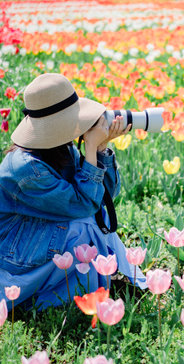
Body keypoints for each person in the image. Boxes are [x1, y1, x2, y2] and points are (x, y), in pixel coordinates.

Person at [0, 72, 146, 311]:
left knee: (99, 219)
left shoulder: (60, 150)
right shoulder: (25, 169)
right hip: (13, 255)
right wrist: (89, 147)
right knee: (82, 226)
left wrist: (100, 149)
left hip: (40, 237)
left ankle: (100, 282)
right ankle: (44, 298)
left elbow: (103, 197)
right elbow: (82, 205)